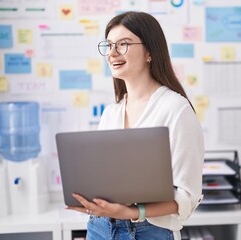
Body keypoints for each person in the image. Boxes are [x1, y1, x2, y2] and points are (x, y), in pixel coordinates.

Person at [66, 11, 204, 240]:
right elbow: (106, 181)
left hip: (148, 232)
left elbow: (186, 197)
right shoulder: (111, 113)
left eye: (123, 44)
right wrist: (93, 202)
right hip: (99, 228)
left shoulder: (176, 110)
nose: (112, 53)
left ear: (150, 51)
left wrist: (132, 212)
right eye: (109, 45)